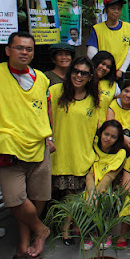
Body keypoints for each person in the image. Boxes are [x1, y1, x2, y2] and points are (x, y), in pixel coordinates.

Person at [0, 32, 53, 259]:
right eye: (19, 47)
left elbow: (46, 109)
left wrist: (50, 136)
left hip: (39, 146)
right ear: (7, 50)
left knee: (37, 200)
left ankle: (23, 250)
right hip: (9, 148)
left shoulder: (41, 78)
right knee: (15, 200)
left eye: (29, 49)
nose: (24, 52)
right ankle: (41, 229)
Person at [50, 57, 100, 246]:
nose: (79, 76)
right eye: (76, 71)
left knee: (73, 195)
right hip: (58, 153)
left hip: (81, 155)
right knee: (58, 196)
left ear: (90, 77)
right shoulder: (55, 92)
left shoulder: (94, 99)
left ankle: (66, 230)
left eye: (84, 73)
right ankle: (60, 229)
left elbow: (98, 127)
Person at [84, 120, 126, 250]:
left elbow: (109, 177)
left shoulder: (120, 154)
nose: (108, 138)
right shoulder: (92, 147)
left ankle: (105, 234)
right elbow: (89, 174)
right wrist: (91, 194)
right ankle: (89, 235)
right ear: (101, 133)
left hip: (109, 190)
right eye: (106, 134)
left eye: (113, 136)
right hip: (90, 188)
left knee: (106, 201)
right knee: (85, 200)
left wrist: (96, 195)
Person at [87, 0, 130, 80]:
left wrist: (122, 70)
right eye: (113, 8)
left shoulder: (128, 28)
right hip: (101, 73)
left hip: (118, 73)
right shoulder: (97, 29)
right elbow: (91, 51)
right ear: (106, 10)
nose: (116, 11)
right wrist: (101, 68)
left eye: (119, 9)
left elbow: (129, 51)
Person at [107, 80, 130, 148]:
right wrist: (123, 138)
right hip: (115, 139)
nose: (128, 95)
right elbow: (109, 127)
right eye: (126, 91)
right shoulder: (113, 104)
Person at [92, 51, 121, 122]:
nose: (104, 68)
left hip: (102, 125)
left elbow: (122, 103)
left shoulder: (113, 86)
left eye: (108, 67)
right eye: (103, 64)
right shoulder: (84, 80)